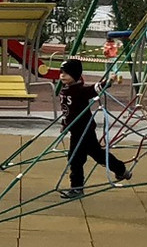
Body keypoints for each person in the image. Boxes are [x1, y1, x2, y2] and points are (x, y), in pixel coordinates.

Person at [55, 58, 129, 199]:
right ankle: (121, 169)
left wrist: (108, 82)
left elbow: (94, 89)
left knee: (75, 159)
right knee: (97, 154)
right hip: (76, 130)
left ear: (75, 75)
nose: (62, 76)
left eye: (66, 73)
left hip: (84, 130)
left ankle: (77, 188)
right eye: (61, 72)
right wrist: (64, 124)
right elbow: (67, 111)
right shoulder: (66, 90)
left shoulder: (80, 90)